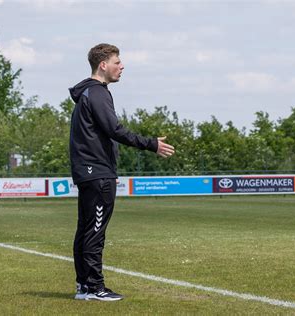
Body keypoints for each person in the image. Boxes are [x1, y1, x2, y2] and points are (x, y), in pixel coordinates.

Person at [68, 43, 174, 301]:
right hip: (98, 173)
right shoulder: (97, 93)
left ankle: (84, 285)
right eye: (117, 61)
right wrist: (151, 144)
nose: (122, 66)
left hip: (89, 171)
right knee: (95, 230)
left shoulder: (86, 94)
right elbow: (115, 129)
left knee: (85, 229)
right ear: (103, 65)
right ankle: (95, 288)